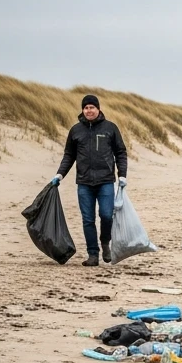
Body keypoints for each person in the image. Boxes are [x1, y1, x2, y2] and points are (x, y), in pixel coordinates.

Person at [51, 94, 127, 267]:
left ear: (98, 109)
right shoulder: (76, 130)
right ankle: (93, 254)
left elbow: (121, 152)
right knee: (88, 219)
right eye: (86, 107)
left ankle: (105, 242)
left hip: (106, 180)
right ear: (82, 110)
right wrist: (59, 175)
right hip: (84, 182)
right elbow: (69, 156)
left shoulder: (110, 128)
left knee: (107, 215)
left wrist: (122, 175)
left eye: (92, 107)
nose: (89, 110)